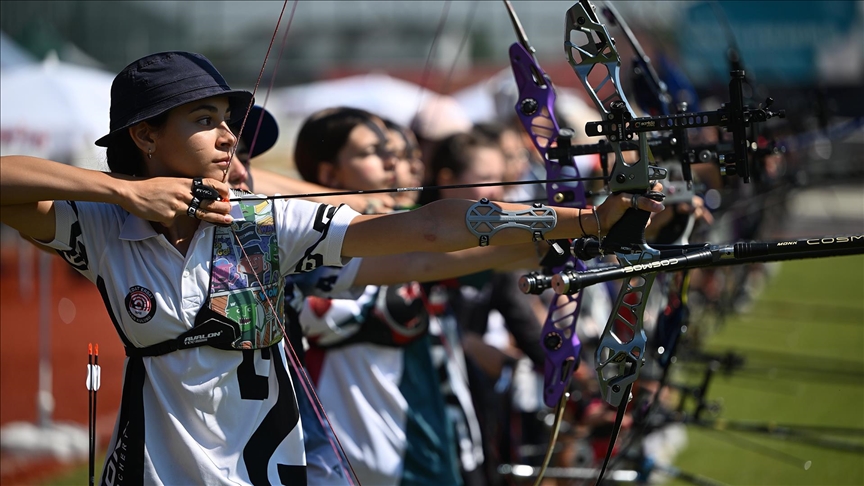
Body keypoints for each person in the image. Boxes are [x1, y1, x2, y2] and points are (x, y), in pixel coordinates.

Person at [0, 51, 662, 485]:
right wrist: (123, 192)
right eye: (206, 121)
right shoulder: (103, 228)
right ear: (145, 136)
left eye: (227, 121)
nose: (229, 136)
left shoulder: (263, 223)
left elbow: (426, 229)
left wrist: (588, 224)